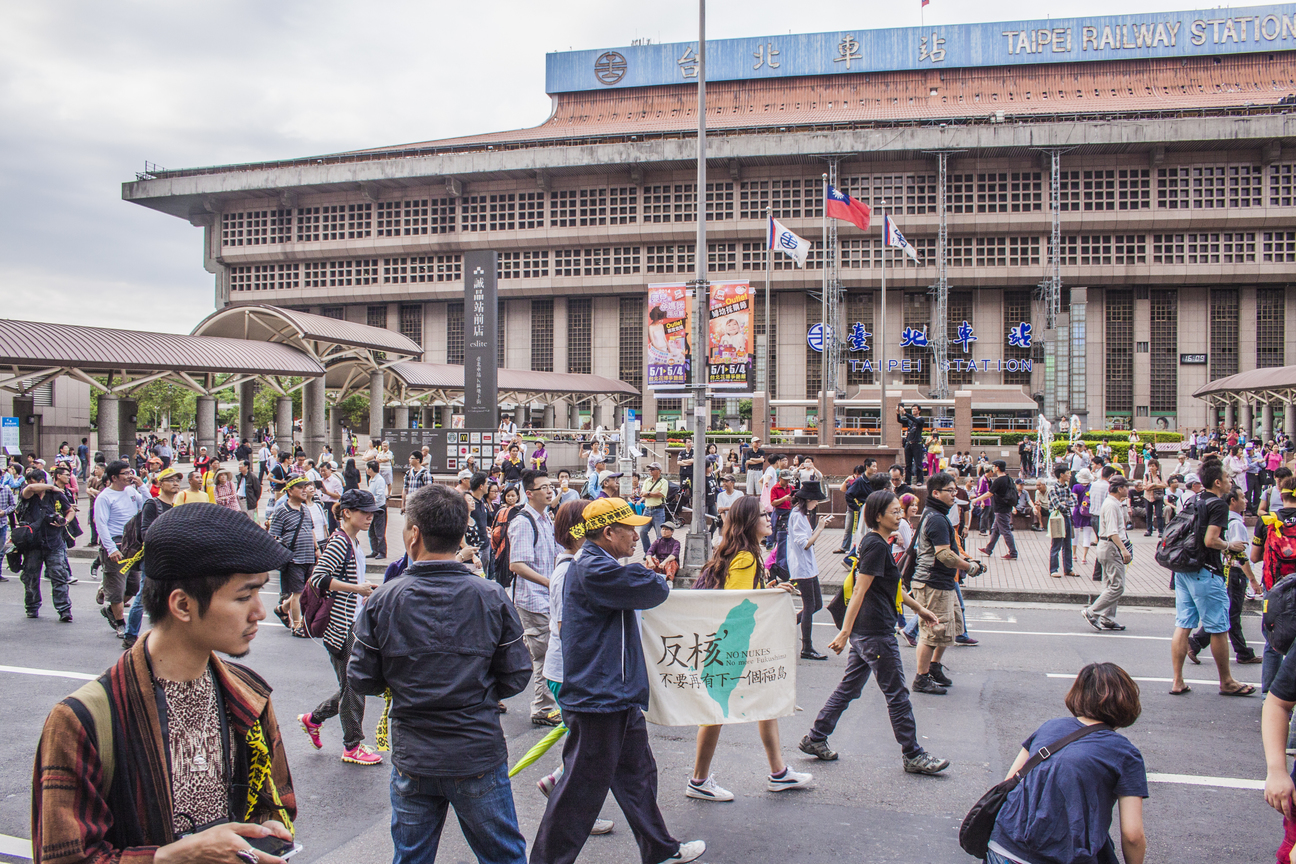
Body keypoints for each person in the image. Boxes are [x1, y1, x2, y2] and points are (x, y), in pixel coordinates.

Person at [31, 503, 298, 864]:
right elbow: (66, 857)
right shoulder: (82, 720)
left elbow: (277, 801)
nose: (260, 612)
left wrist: (268, 833)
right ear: (183, 605)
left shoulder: (249, 695)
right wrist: (172, 857)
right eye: (243, 596)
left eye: (260, 593)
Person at [347, 483, 533, 864]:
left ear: (414, 534)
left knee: (411, 857)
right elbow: (516, 674)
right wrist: (479, 690)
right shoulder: (491, 595)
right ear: (462, 532)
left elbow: (362, 678)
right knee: (504, 856)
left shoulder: (383, 600)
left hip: (414, 755)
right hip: (477, 750)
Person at [530, 498, 705, 864]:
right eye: (630, 529)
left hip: (615, 694)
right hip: (600, 697)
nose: (637, 535)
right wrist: (653, 574)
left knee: (637, 776)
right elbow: (653, 587)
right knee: (579, 792)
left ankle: (659, 849)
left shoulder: (601, 565)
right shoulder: (596, 568)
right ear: (608, 533)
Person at [798, 489, 949, 775]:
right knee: (897, 694)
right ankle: (913, 754)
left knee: (850, 687)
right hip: (875, 631)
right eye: (894, 511)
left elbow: (892, 586)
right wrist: (844, 632)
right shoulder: (876, 545)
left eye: (899, 511)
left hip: (868, 631)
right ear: (878, 516)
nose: (900, 515)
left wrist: (920, 610)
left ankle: (816, 738)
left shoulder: (877, 542)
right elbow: (859, 589)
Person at [685, 497, 811, 802]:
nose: (769, 519)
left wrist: (768, 591)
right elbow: (736, 603)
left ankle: (778, 772)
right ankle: (699, 780)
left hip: (733, 645)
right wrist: (766, 597)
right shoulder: (746, 558)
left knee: (765, 702)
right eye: (763, 516)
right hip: (731, 647)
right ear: (749, 522)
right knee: (716, 712)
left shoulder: (742, 554)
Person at [987, 663, 1147, 864]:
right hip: (1061, 855)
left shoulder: (1049, 727)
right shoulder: (1125, 753)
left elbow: (1010, 782)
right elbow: (1132, 835)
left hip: (1004, 844)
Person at [299, 488, 383, 765]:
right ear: (346, 512)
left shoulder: (352, 541)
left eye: (372, 513)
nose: (370, 517)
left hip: (351, 623)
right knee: (354, 687)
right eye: (364, 512)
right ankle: (352, 746)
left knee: (352, 685)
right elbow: (318, 579)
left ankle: (314, 719)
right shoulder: (339, 542)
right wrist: (357, 588)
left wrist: (363, 588)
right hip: (341, 626)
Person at [1169, 460, 1256, 696]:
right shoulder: (1218, 505)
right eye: (1227, 478)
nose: (1230, 481)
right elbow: (1211, 540)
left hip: (1184, 569)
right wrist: (1231, 545)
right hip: (1205, 571)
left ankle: (1177, 681)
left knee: (1183, 623)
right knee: (1218, 626)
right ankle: (1226, 681)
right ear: (1217, 482)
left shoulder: (1193, 499)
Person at [909, 473, 984, 694]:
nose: (954, 494)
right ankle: (921, 678)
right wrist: (969, 567)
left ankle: (934, 667)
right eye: (950, 491)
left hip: (942, 581)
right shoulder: (937, 519)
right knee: (932, 632)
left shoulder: (937, 515)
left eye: (955, 490)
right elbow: (944, 555)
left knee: (948, 628)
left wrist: (967, 560)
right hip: (932, 582)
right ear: (935, 493)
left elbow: (950, 552)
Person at [510, 469, 562, 727]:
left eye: (550, 486)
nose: (549, 490)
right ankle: (542, 707)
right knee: (544, 654)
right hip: (533, 599)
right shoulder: (523, 522)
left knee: (546, 652)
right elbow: (517, 565)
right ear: (529, 493)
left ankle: (546, 704)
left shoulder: (546, 519)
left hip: (547, 598)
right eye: (543, 487)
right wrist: (549, 582)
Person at [1188, 487, 1262, 665]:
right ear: (1232, 501)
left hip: (1229, 572)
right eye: (1242, 497)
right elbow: (1240, 555)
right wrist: (1252, 579)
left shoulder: (1226, 520)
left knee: (1228, 613)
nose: (1245, 501)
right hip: (1235, 573)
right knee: (1231, 613)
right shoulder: (1235, 523)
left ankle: (1200, 642)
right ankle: (1199, 642)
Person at [93, 460, 152, 635]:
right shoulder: (104, 497)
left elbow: (149, 506)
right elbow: (101, 525)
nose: (129, 476)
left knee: (133, 586)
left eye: (130, 472)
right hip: (116, 542)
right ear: (113, 477)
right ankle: (119, 622)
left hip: (132, 544)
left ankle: (111, 610)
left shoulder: (131, 491)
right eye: (125, 473)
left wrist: (142, 486)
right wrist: (111, 548)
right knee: (117, 588)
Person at [17, 467, 76, 621]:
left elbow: (70, 510)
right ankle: (32, 606)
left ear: (41, 481)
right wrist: (51, 486)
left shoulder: (56, 495)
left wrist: (64, 522)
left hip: (54, 542)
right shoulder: (28, 494)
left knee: (59, 576)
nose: (29, 484)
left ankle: (64, 610)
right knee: (30, 577)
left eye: (33, 481)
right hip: (32, 544)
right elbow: (29, 489)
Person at [1082, 475, 1133, 632]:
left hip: (1107, 546)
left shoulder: (1115, 504)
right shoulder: (1111, 505)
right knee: (1117, 585)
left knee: (1110, 584)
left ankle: (1107, 618)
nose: (1128, 490)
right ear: (1119, 489)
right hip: (1111, 546)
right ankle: (1092, 612)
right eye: (1126, 487)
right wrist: (1123, 549)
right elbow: (1112, 531)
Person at [788, 480, 830, 660]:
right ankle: (807, 646)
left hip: (809, 566)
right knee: (810, 605)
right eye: (815, 501)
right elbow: (804, 543)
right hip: (801, 566)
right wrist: (820, 529)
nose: (816, 504)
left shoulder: (802, 514)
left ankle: (787, 625)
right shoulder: (797, 515)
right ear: (809, 499)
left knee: (816, 604)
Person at [975, 460, 1018, 560]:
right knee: (995, 530)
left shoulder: (999, 480)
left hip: (1001, 509)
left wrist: (976, 499)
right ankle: (988, 549)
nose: (992, 468)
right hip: (1005, 508)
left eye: (994, 466)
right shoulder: (1008, 478)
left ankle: (1013, 553)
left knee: (1006, 531)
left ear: (997, 467)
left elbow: (989, 493)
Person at [639, 461, 668, 553]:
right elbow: (642, 494)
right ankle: (648, 552)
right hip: (647, 510)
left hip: (658, 510)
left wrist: (648, 493)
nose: (650, 471)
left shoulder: (664, 482)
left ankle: (660, 554)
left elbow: (661, 494)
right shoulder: (647, 481)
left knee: (660, 535)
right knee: (642, 532)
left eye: (653, 469)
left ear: (659, 471)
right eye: (649, 469)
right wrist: (652, 493)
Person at [896, 403, 925, 485]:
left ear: (919, 410)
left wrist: (905, 413)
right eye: (912, 409)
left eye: (915, 409)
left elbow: (916, 420)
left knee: (918, 464)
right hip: (908, 443)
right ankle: (908, 480)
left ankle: (920, 481)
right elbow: (900, 420)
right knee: (908, 464)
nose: (914, 411)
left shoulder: (921, 419)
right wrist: (898, 413)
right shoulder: (910, 420)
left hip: (917, 444)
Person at [366, 460, 389, 559]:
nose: (366, 470)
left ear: (370, 469)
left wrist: (370, 500)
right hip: (372, 508)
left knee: (379, 532)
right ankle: (374, 550)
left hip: (379, 508)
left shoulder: (379, 480)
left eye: (367, 468)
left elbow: (380, 496)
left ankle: (382, 552)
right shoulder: (371, 479)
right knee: (371, 531)